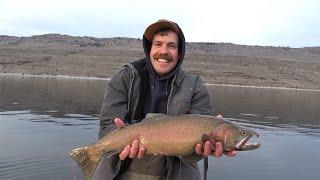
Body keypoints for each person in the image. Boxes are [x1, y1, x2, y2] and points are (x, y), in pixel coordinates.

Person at [93, 19, 236, 180]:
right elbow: (106, 128)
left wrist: (202, 151)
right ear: (149, 49)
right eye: (158, 44)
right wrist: (118, 137)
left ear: (180, 53)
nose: (164, 51)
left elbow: (196, 153)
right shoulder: (124, 78)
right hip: (120, 170)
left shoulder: (195, 86)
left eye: (171, 46)